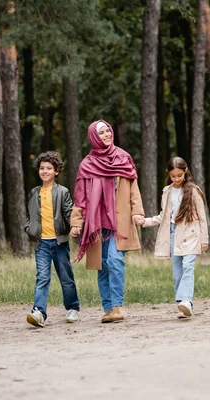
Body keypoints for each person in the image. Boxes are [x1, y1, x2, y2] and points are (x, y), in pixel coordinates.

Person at [70, 120, 144, 323]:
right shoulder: (87, 164)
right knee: (102, 265)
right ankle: (108, 309)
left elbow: (134, 188)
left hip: (119, 221)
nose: (107, 135)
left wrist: (137, 211)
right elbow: (81, 197)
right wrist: (77, 221)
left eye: (108, 131)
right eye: (101, 133)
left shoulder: (123, 158)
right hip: (97, 223)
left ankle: (118, 307)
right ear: (94, 137)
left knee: (114, 259)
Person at [135, 157, 208, 318]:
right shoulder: (167, 191)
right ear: (169, 174)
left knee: (188, 267)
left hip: (191, 233)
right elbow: (164, 216)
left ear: (185, 171)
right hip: (174, 233)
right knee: (177, 272)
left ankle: (187, 301)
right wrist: (145, 221)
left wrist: (204, 239)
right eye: (173, 176)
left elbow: (202, 217)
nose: (176, 179)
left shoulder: (194, 191)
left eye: (179, 175)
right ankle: (182, 304)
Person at [24, 151, 80, 328]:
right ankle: (39, 312)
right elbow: (29, 215)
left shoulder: (62, 192)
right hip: (41, 243)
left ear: (56, 171)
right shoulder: (34, 192)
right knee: (42, 277)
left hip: (59, 242)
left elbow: (69, 212)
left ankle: (72, 308)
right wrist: (29, 228)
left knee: (66, 277)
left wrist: (74, 226)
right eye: (42, 168)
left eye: (49, 168)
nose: (45, 171)